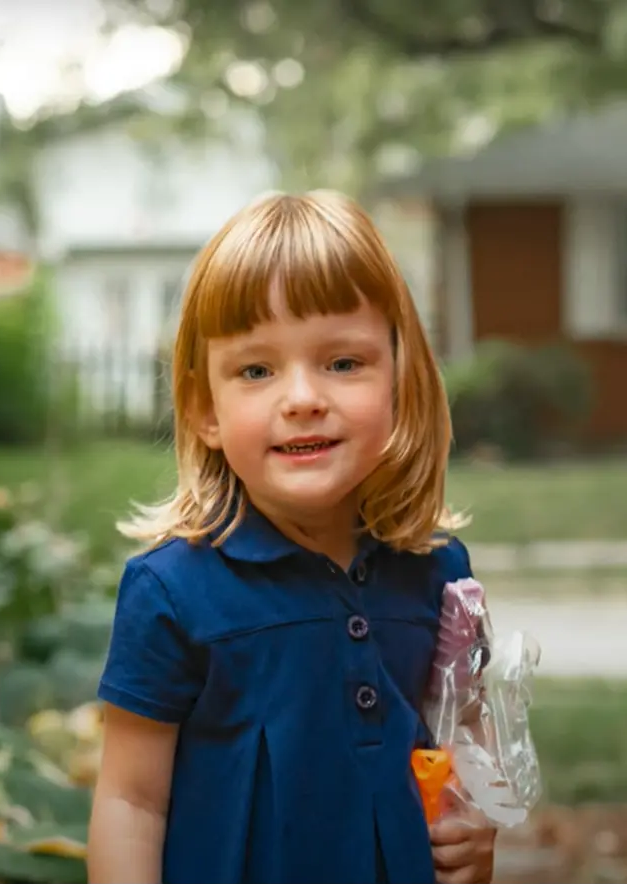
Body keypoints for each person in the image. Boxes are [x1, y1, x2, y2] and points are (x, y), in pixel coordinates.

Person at [87, 190, 497, 885]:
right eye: (256, 369)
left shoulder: (436, 570)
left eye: (342, 362)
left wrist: (474, 824)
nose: (302, 396)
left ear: (401, 381)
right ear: (203, 409)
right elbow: (130, 798)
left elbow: (466, 732)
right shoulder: (171, 591)